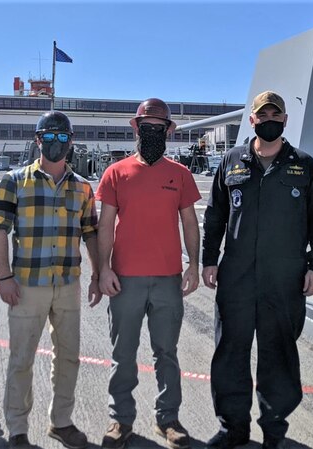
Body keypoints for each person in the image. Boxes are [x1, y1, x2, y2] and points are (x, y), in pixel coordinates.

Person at [202, 91, 313, 449]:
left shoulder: (303, 165)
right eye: (263, 115)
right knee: (230, 352)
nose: (269, 120)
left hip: (285, 279)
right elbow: (215, 215)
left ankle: (275, 429)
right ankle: (233, 428)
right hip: (237, 277)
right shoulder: (231, 160)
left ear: (286, 120)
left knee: (279, 354)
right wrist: (209, 259)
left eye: (276, 114)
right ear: (253, 121)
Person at [0, 110, 101, 449]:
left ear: (71, 142)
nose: (56, 143)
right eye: (49, 137)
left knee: (68, 356)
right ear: (38, 140)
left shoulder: (82, 188)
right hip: (26, 285)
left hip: (67, 285)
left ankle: (61, 422)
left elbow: (91, 233)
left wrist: (98, 273)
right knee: (21, 358)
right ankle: (18, 429)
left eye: (62, 137)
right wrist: (5, 275)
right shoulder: (13, 181)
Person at [96, 98, 200, 449]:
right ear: (135, 127)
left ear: (170, 130)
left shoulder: (180, 174)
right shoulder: (116, 173)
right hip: (125, 280)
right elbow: (106, 224)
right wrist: (103, 269)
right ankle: (120, 419)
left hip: (168, 280)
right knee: (123, 354)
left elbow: (190, 222)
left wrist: (194, 265)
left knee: (166, 353)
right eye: (146, 126)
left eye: (160, 126)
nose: (153, 131)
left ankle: (168, 419)